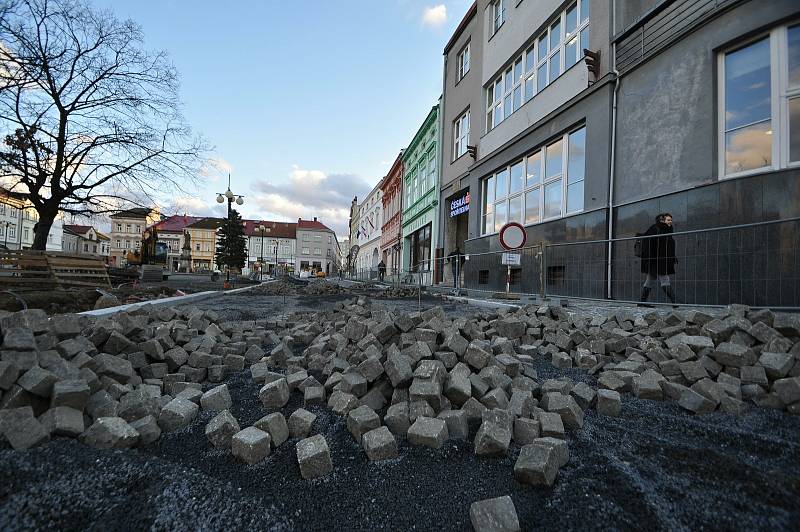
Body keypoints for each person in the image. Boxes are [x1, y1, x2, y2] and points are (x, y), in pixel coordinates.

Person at [640, 213, 677, 304]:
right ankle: (675, 302)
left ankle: (642, 302)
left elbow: (667, 246)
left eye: (671, 220)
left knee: (649, 280)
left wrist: (672, 256)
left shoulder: (667, 230)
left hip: (661, 260)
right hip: (656, 260)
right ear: (663, 220)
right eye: (668, 220)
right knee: (665, 279)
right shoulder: (656, 228)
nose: (670, 222)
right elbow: (648, 243)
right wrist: (653, 258)